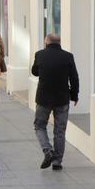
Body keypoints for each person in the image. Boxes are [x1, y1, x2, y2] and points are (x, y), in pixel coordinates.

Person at [32, 33, 79, 171]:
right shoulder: (68, 56)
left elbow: (35, 72)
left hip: (43, 98)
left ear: (46, 42)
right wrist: (74, 95)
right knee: (60, 130)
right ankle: (57, 161)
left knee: (39, 125)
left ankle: (47, 150)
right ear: (59, 43)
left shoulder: (40, 54)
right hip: (62, 98)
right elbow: (74, 78)